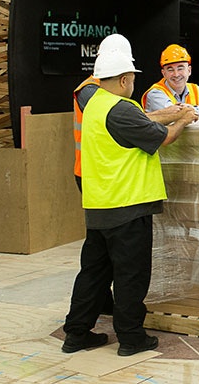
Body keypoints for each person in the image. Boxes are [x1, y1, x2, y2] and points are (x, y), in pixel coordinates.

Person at [61, 46, 197, 355]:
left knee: (93, 274)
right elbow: (162, 137)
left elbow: (143, 119)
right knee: (131, 276)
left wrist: (170, 114)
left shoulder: (94, 102)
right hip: (128, 206)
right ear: (124, 79)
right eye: (133, 78)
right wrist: (184, 119)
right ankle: (132, 338)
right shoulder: (121, 108)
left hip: (98, 205)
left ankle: (76, 333)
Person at [71, 34, 136, 319]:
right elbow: (120, 120)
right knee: (103, 254)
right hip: (93, 175)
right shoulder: (89, 91)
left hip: (99, 174)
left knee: (100, 253)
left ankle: (98, 305)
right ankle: (108, 311)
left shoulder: (97, 90)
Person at [141, 44, 199, 118]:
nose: (176, 74)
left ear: (189, 70)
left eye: (180, 68)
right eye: (170, 69)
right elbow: (177, 114)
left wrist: (191, 109)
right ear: (163, 73)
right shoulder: (155, 94)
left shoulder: (194, 89)